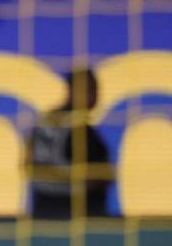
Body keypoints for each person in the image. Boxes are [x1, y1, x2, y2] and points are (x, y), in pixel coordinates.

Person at [26, 68, 112, 218]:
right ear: (72, 90)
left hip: (42, 208)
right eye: (91, 90)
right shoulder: (78, 128)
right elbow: (95, 173)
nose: (96, 96)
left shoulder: (46, 120)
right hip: (77, 210)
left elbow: (27, 162)